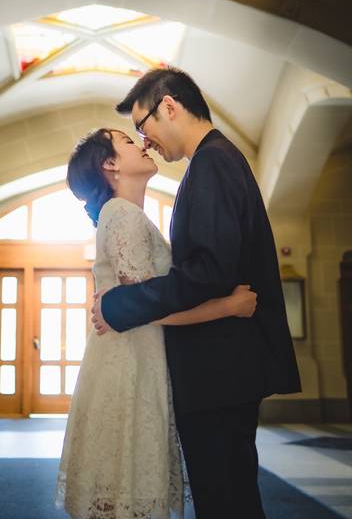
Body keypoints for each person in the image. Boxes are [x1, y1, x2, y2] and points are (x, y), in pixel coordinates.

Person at [91, 67, 302, 518]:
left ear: (168, 107)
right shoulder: (212, 162)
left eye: (142, 127)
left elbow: (207, 271)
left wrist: (119, 305)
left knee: (226, 500)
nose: (145, 140)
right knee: (229, 497)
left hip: (220, 370)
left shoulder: (212, 162)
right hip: (221, 369)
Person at [56, 127, 258, 519]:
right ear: (110, 164)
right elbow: (144, 306)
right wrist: (228, 306)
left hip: (139, 357)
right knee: (123, 490)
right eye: (129, 142)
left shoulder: (127, 216)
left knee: (124, 490)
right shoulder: (122, 214)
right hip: (129, 364)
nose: (144, 144)